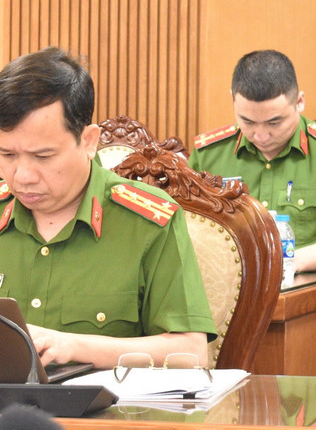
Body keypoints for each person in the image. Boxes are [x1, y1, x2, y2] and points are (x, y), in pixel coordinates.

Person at [0, 47, 216, 370]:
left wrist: (73, 346)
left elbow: (191, 353)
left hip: (103, 403)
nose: (23, 176)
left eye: (43, 156)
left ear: (88, 141)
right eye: (7, 155)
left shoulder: (146, 222)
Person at [188, 49, 316, 376]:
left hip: (313, 317)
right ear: (233, 101)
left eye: (275, 122)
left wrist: (287, 263)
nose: (261, 135)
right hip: (222, 319)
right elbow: (187, 230)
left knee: (314, 399)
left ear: (299, 102)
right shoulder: (209, 154)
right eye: (247, 122)